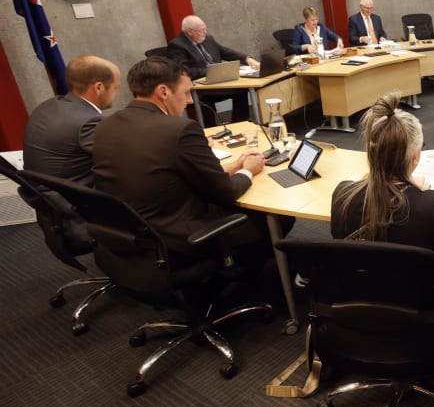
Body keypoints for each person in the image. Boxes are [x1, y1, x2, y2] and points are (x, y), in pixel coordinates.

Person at [91, 57, 276, 265]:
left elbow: (165, 171)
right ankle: (251, 274)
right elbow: (226, 193)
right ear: (164, 92)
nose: (189, 100)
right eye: (187, 92)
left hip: (128, 235)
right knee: (271, 219)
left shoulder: (105, 126)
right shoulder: (180, 130)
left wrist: (235, 165)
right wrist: (248, 171)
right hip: (176, 238)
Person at [330, 93, 434, 288]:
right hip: (421, 298)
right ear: (415, 158)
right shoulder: (433, 203)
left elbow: (338, 238)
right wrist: (419, 193)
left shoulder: (342, 193)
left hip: (360, 292)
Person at [23, 55, 121, 184]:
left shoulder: (48, 106)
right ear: (99, 87)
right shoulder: (89, 122)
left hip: (38, 189)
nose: (117, 93)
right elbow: (125, 158)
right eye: (116, 87)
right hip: (66, 193)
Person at [167, 15, 259, 80]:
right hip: (202, 82)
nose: (205, 33)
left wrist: (247, 59)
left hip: (220, 77)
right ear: (190, 32)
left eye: (205, 29)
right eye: (201, 30)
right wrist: (215, 72)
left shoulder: (208, 39)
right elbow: (184, 71)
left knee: (243, 85)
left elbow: (225, 52)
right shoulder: (177, 45)